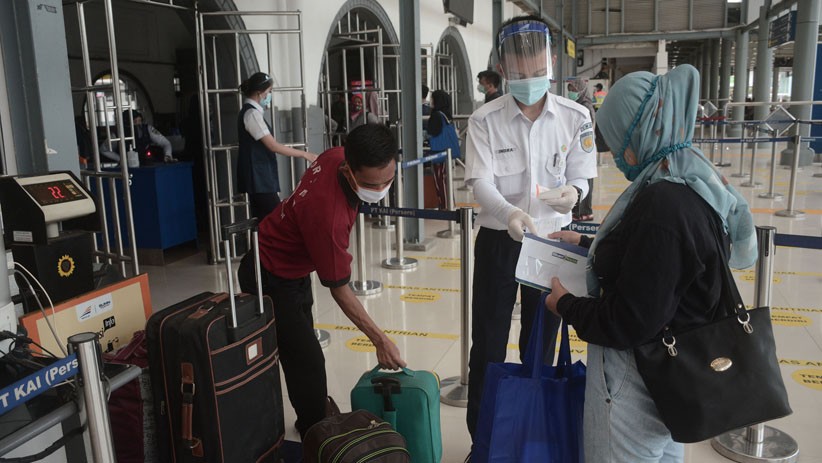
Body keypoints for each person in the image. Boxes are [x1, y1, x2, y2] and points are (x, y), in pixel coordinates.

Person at [544, 64, 757, 463]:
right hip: (674, 374)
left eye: (617, 137)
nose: (617, 154)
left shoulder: (660, 203)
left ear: (638, 133)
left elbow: (628, 321)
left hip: (636, 379)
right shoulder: (694, 182)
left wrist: (565, 306)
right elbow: (663, 262)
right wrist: (588, 243)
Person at [463, 15, 597, 442]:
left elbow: (582, 174)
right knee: (488, 341)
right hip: (500, 241)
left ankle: (530, 434)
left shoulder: (575, 117)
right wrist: (509, 215)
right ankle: (483, 439)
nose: (531, 80)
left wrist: (573, 193)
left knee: (540, 341)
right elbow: (479, 181)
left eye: (539, 72)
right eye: (522, 75)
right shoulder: (485, 119)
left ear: (552, 61)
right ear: (504, 71)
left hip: (551, 243)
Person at [237, 123, 407, 439]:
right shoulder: (328, 217)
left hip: (294, 268)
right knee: (306, 358)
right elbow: (340, 290)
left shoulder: (334, 154)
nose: (381, 188)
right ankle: (316, 432)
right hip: (269, 273)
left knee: (302, 349)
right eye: (372, 183)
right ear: (348, 171)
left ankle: (314, 414)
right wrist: (380, 340)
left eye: (389, 179)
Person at [237, 72, 318, 220]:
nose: (269, 95)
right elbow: (273, 146)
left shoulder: (252, 113)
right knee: (275, 218)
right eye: (269, 92)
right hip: (259, 177)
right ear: (259, 93)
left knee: (262, 220)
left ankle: (259, 243)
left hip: (259, 176)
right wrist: (305, 154)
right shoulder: (252, 115)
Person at [567, 77, 596, 222]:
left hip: (585, 148)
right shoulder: (579, 104)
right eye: (570, 89)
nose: (571, 92)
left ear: (581, 89)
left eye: (573, 89)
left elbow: (586, 130)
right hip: (580, 147)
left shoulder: (585, 106)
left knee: (584, 180)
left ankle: (584, 212)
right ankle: (579, 211)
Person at [427, 89, 460, 210]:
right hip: (446, 151)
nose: (431, 101)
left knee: (439, 179)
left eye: (432, 98)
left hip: (439, 152)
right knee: (445, 178)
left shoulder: (436, 115)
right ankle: (449, 203)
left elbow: (433, 131)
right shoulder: (446, 114)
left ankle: (444, 205)